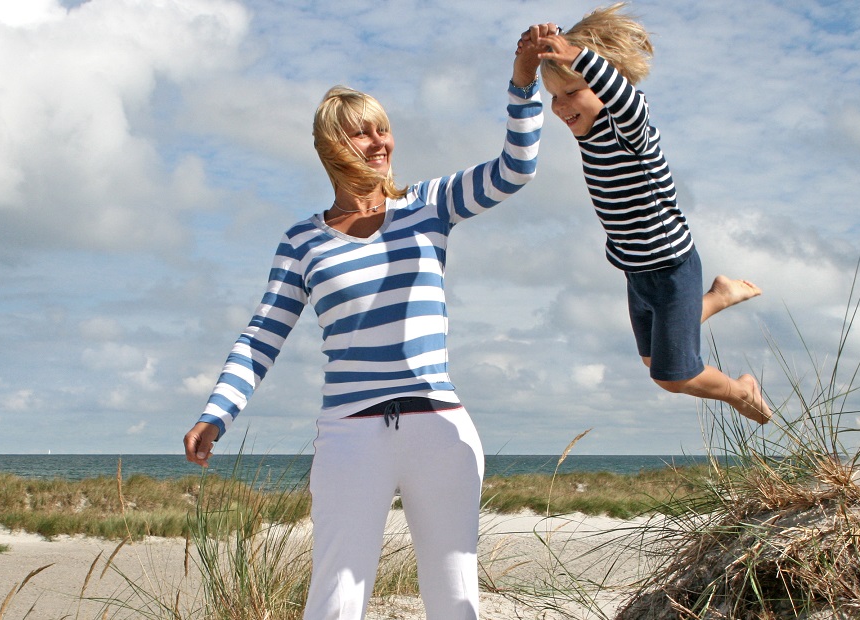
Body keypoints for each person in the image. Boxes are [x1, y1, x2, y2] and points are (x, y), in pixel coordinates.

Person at [181, 26, 551, 620]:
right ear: (333, 145)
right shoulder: (303, 241)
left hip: (439, 426)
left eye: (383, 128)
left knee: (455, 600)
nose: (380, 141)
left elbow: (514, 170)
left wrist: (523, 84)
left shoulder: (429, 206)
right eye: (363, 131)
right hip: (351, 434)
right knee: (333, 599)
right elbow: (261, 337)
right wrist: (215, 414)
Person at [527, 5, 774, 424]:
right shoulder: (589, 130)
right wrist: (538, 55)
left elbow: (623, 97)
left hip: (671, 267)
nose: (561, 106)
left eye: (572, 92)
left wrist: (577, 56)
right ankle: (720, 296)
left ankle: (741, 391)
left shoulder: (629, 124)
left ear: (607, 84)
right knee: (651, 358)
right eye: (554, 97)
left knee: (673, 375)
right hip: (635, 271)